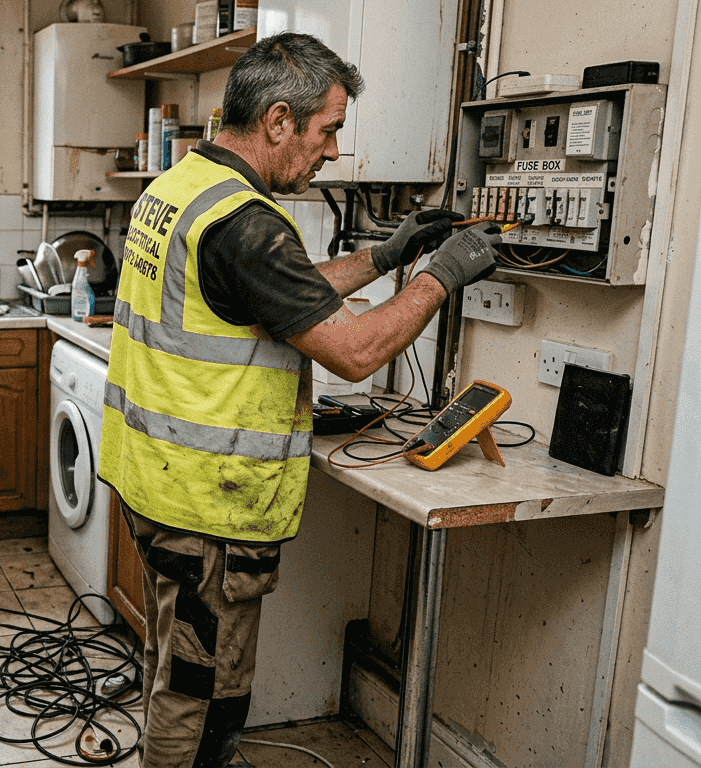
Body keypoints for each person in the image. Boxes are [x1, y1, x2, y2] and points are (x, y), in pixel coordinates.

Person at [98, 32, 500, 768]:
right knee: (199, 690)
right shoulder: (247, 222)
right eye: (330, 129)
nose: (334, 151)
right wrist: (440, 277)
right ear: (279, 121)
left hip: (155, 481)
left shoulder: (182, 187)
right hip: (207, 510)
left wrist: (383, 256)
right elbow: (353, 352)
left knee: (185, 669)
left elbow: (275, 294)